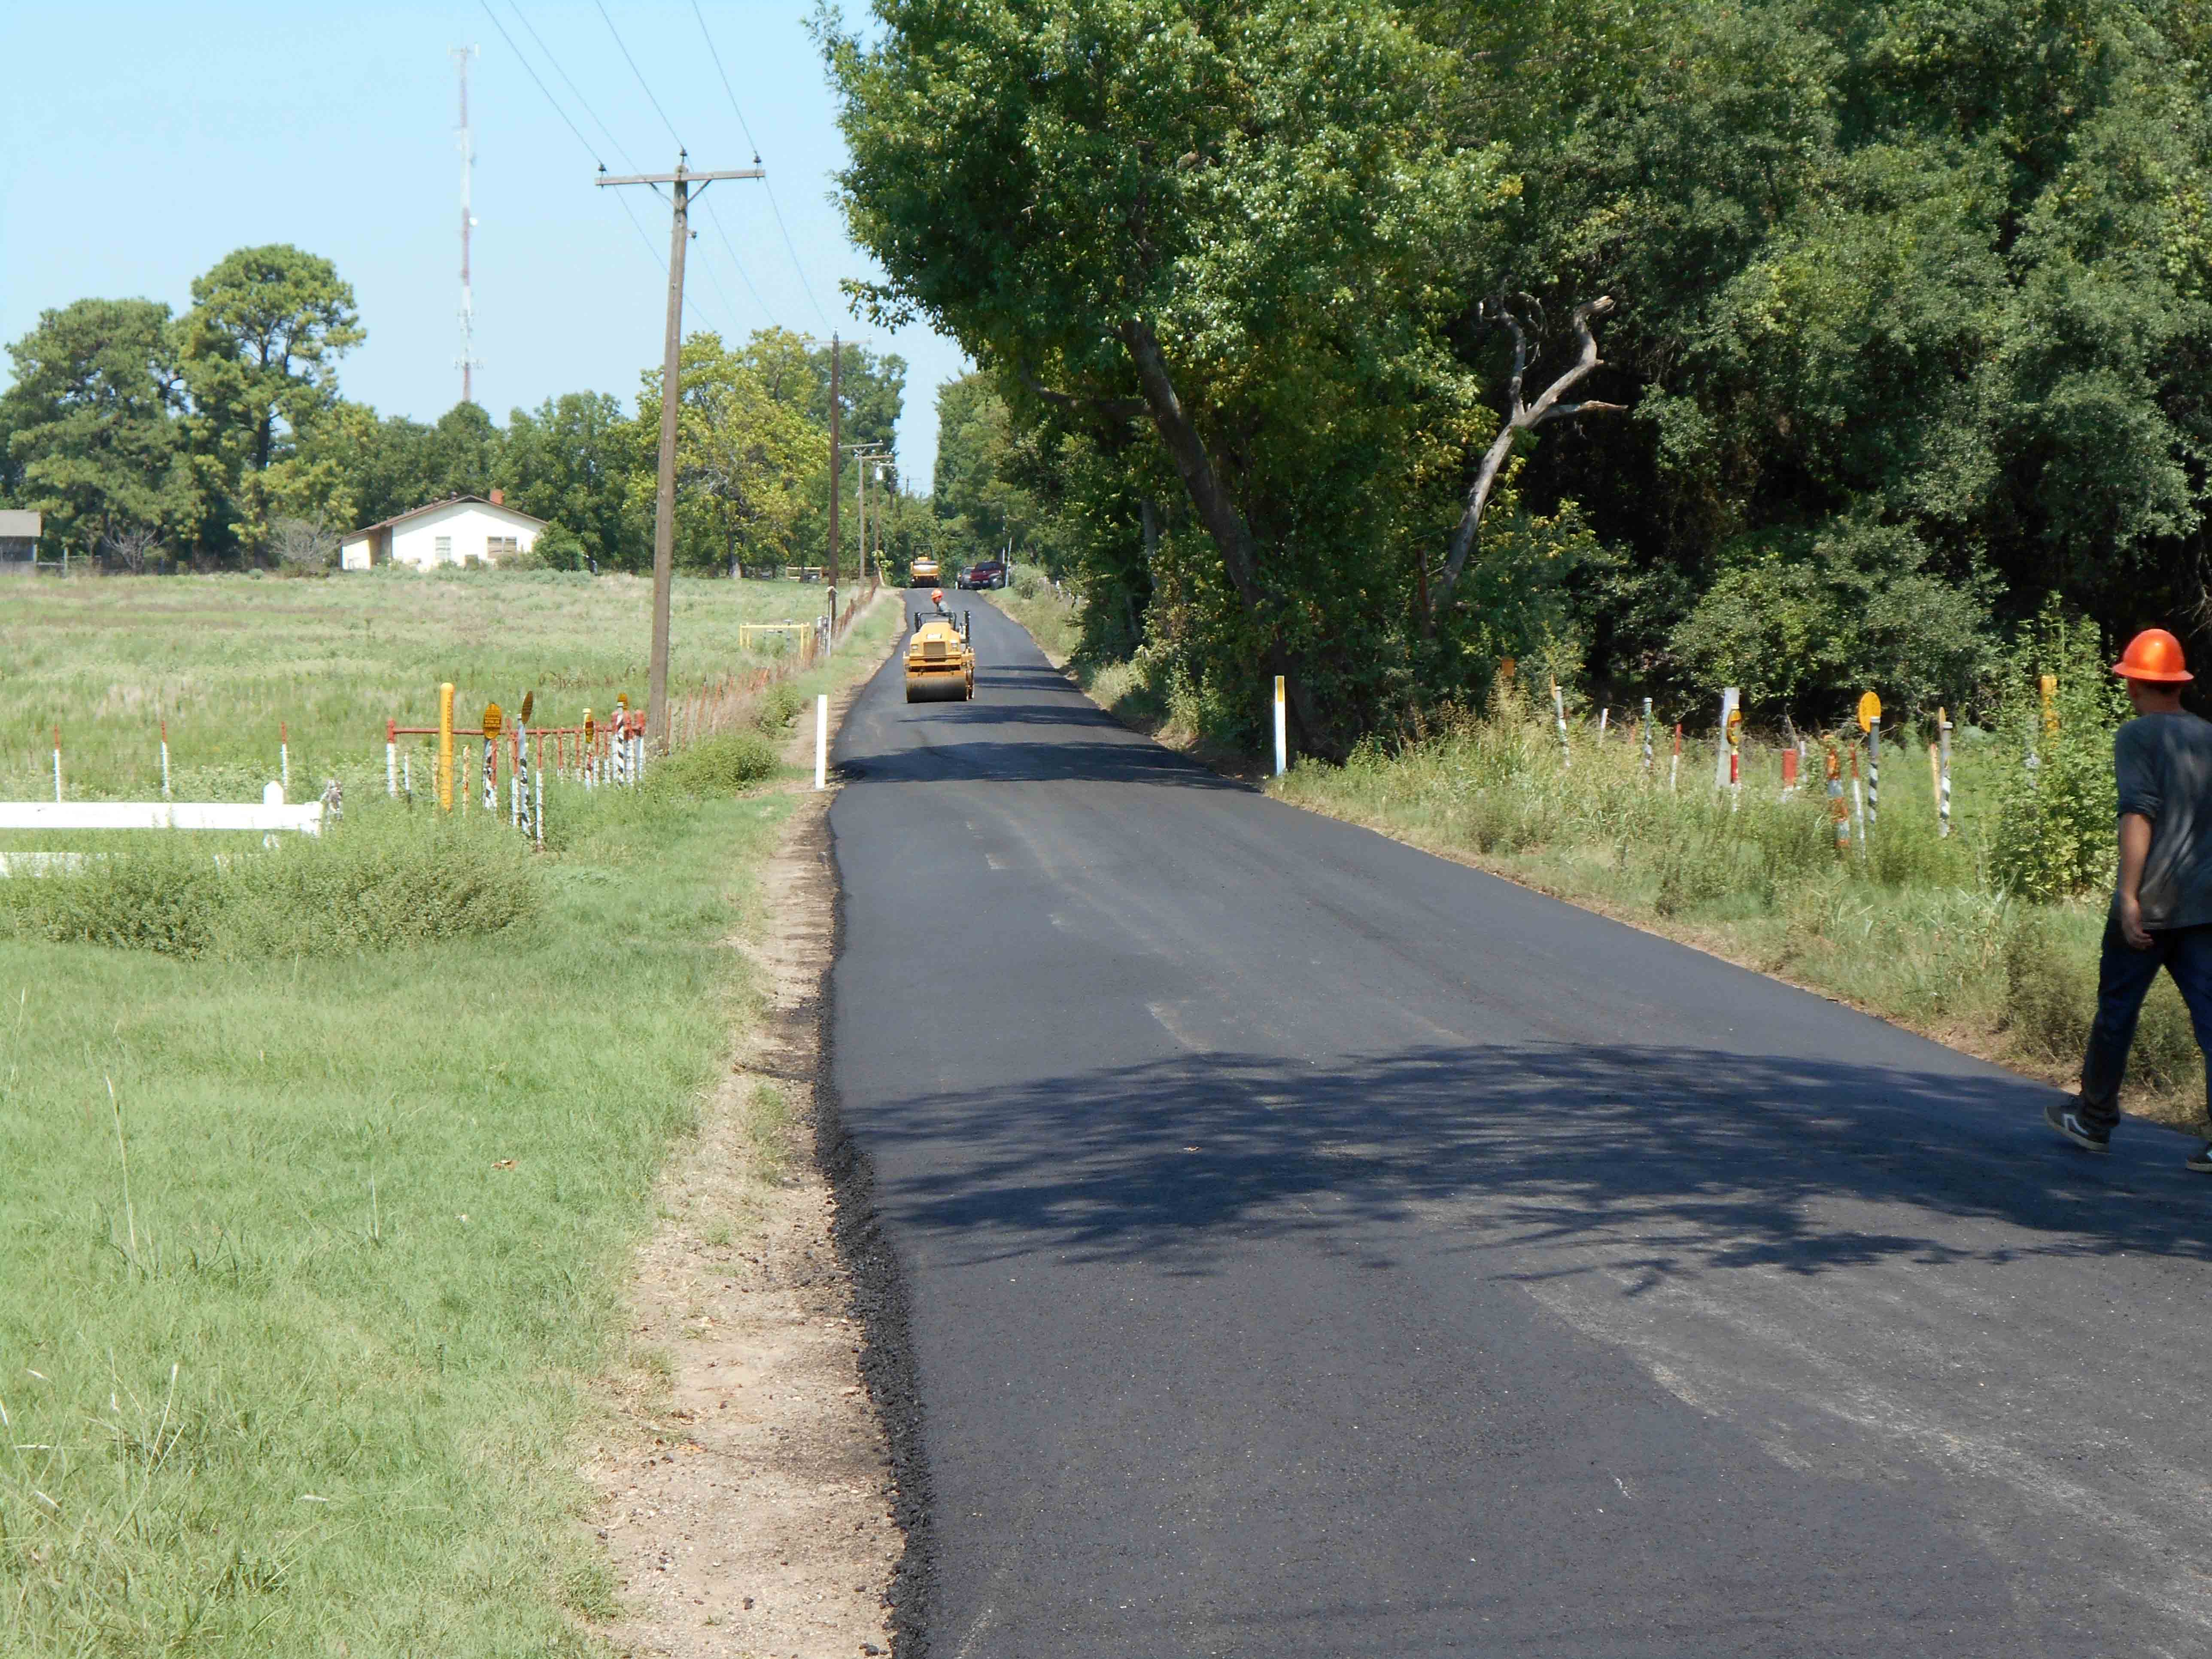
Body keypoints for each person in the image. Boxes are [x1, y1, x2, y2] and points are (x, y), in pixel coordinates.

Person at [2050, 627, 2212, 1171]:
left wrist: (2128, 896)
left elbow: (2137, 813)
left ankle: (2094, 1120)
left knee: (2117, 1010)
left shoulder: (2137, 736)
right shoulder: (2209, 737)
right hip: (2205, 907)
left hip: (2154, 903)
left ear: (2136, 684)